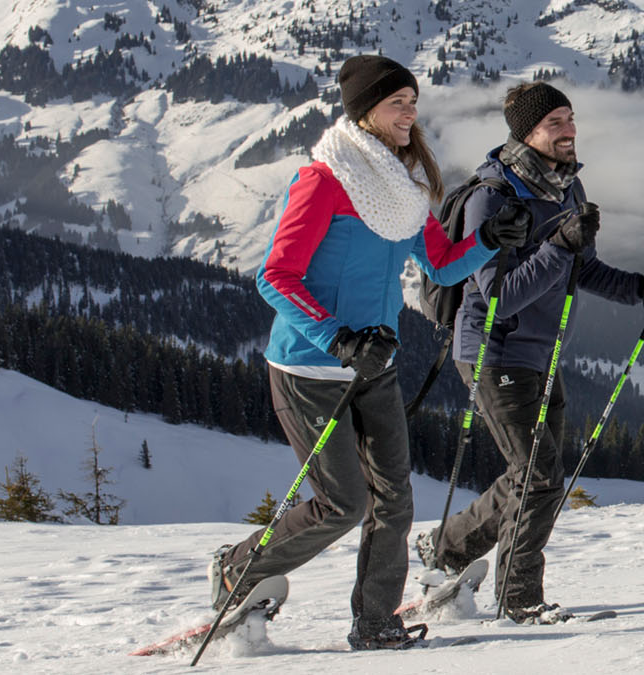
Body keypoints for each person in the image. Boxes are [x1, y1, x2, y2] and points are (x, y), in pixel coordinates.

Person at [215, 54, 530, 650]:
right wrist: (337, 336)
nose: (411, 113)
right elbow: (274, 277)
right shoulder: (323, 181)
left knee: (395, 500)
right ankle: (238, 569)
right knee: (342, 503)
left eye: (413, 102)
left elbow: (438, 263)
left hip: (373, 368)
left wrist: (488, 241)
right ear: (365, 112)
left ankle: (376, 621)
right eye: (398, 103)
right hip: (310, 367)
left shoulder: (403, 190)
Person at [414, 81, 644, 624]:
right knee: (539, 475)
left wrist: (641, 288)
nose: (570, 130)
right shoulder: (494, 197)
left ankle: (444, 548)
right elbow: (498, 296)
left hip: (541, 352)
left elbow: (579, 268)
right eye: (556, 122)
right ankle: (519, 600)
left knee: (531, 473)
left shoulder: (566, 189)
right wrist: (558, 244)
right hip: (493, 351)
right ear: (527, 132)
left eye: (571, 118)